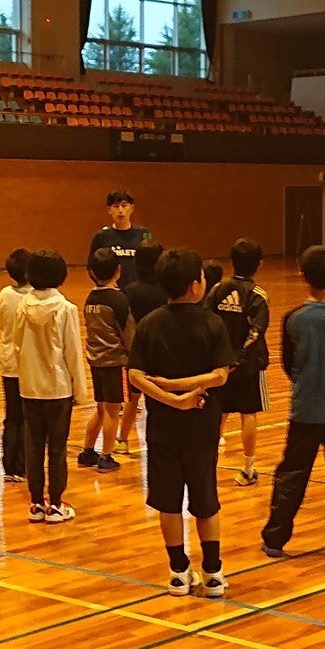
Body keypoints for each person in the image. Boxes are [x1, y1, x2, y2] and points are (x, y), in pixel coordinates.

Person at [128, 248, 234, 598]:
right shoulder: (212, 323)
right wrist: (182, 396)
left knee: (168, 502)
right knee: (205, 500)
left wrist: (170, 391)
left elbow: (136, 376)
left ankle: (178, 573)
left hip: (162, 428)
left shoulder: (149, 323)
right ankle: (213, 574)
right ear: (194, 285)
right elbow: (220, 376)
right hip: (202, 427)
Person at [261, 246, 325, 560]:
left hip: (306, 406)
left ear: (302, 276)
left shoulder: (294, 320)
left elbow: (288, 364)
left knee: (293, 473)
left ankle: (276, 537)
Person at [13, 249, 86, 523]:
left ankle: (36, 503)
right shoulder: (66, 309)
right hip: (58, 388)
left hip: (30, 387)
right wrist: (80, 390)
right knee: (57, 448)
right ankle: (55, 504)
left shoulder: (22, 306)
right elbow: (73, 352)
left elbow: (17, 345)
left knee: (33, 447)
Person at [205, 239, 270, 486]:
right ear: (259, 265)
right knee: (248, 413)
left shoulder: (217, 289)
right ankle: (247, 470)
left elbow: (206, 321)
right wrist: (239, 358)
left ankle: (208, 467)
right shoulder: (257, 295)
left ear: (232, 262)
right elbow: (257, 331)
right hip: (248, 365)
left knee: (218, 413)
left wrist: (221, 357)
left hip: (221, 365)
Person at [79, 248, 136, 473]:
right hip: (115, 363)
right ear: (118, 271)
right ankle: (106, 456)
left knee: (101, 408)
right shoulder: (119, 300)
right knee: (113, 411)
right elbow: (128, 333)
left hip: (96, 361)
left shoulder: (90, 298)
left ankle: (87, 451)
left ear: (92, 272)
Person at [118, 240, 167, 453]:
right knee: (162, 397)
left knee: (132, 399)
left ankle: (122, 440)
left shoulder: (129, 290)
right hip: (163, 351)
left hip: (137, 352)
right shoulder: (167, 291)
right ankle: (162, 440)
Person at [0, 248, 32, 482]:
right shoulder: (35, 297)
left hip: (8, 361)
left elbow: (0, 322)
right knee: (27, 418)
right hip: (28, 364)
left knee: (11, 416)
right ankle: (22, 465)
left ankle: (9, 466)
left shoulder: (5, 294)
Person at [88, 189, 151, 289]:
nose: (120, 210)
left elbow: (152, 262)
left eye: (124, 206)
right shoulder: (101, 236)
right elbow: (91, 267)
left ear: (132, 208)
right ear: (109, 210)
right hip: (112, 291)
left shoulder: (143, 233)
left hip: (136, 292)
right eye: (116, 206)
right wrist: (105, 284)